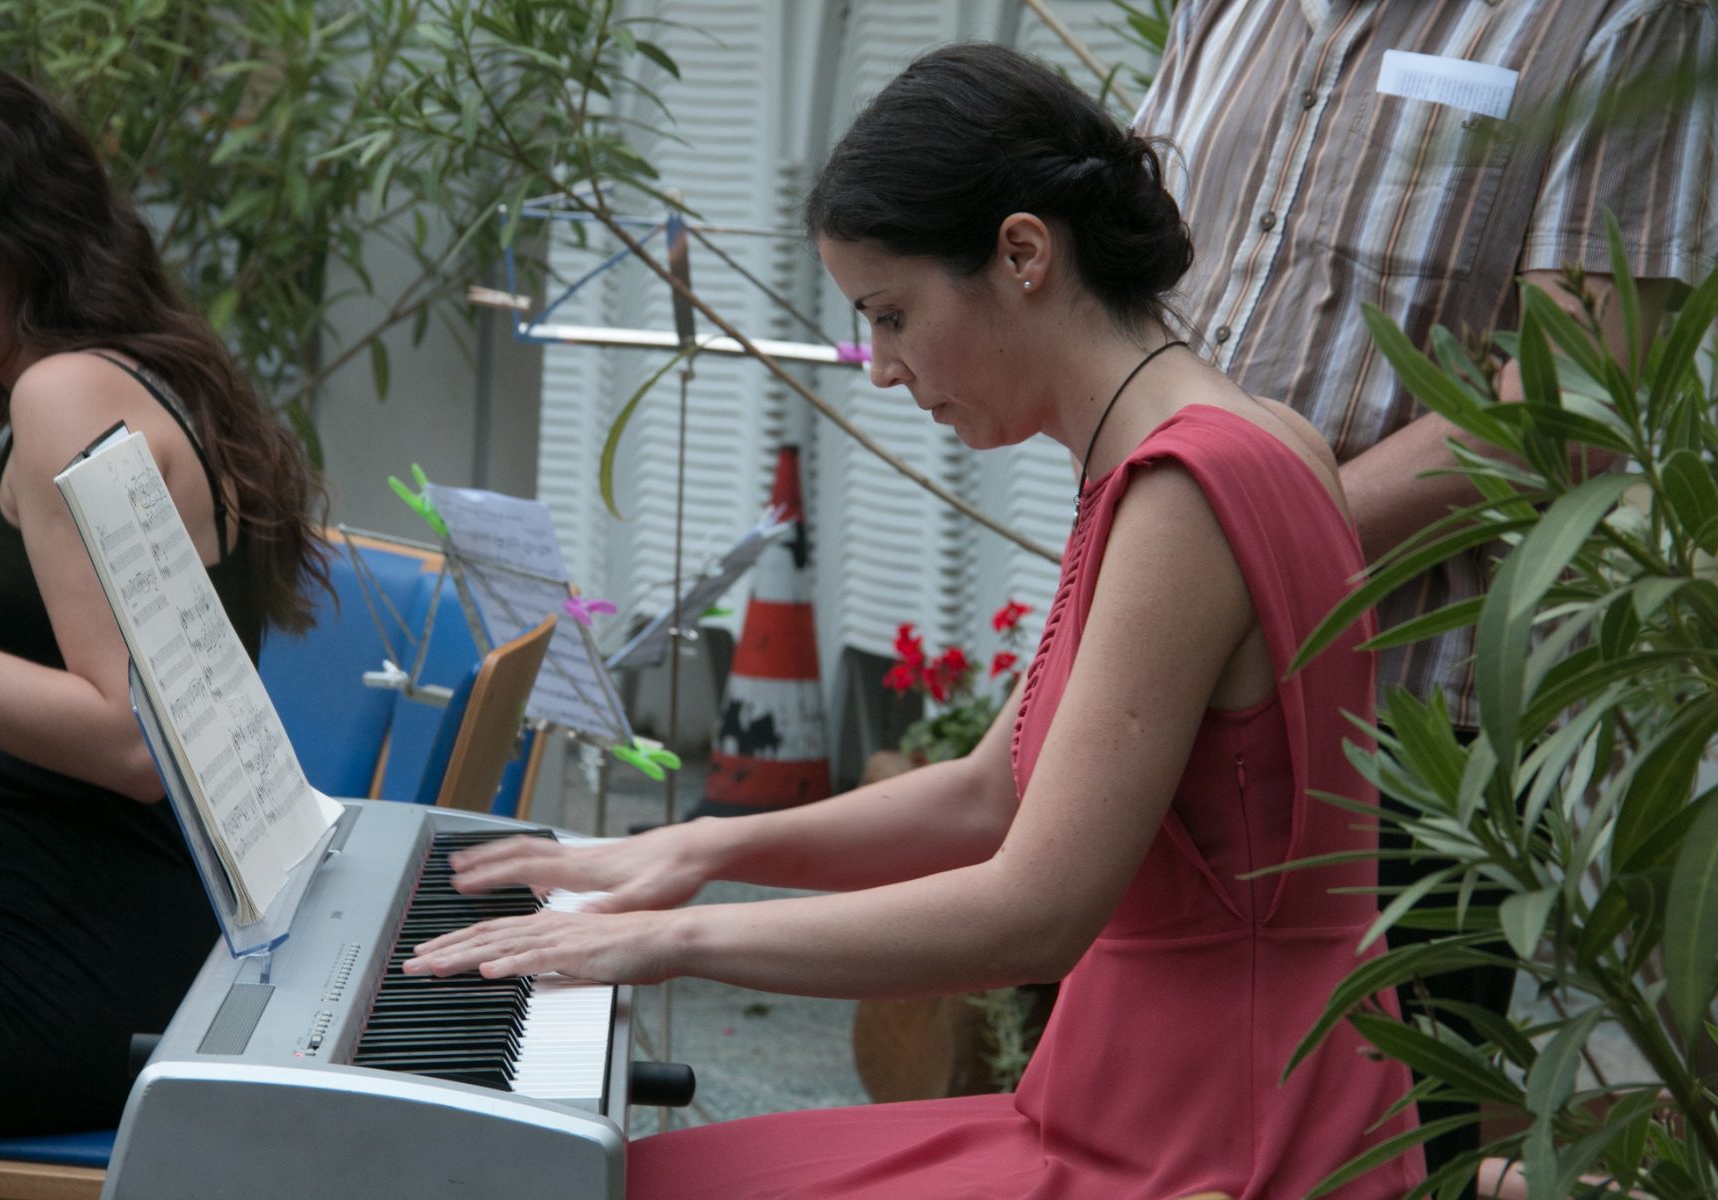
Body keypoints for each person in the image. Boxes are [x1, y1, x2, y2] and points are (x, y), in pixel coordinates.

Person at [404, 43, 1423, 1198]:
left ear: (1023, 253)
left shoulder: (1184, 488)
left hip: (1210, 1140)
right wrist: (698, 850)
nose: (882, 368)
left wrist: (669, 938)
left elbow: (1035, 909)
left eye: (893, 315)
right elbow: (992, 794)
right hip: (1161, 1098)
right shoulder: (1252, 437)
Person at [1132, 0, 1715, 1170]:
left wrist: (1230, 556)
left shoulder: (1616, 19)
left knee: (1384, 1160)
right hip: (1152, 683)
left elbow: (1569, 409)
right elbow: (1129, 289)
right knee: (1146, 1137)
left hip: (1402, 740)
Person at [0, 55, 329, 1135]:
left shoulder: (64, 394)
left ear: (12, 235)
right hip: (82, 929)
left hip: (54, 961)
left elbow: (135, 743)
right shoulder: (127, 372)